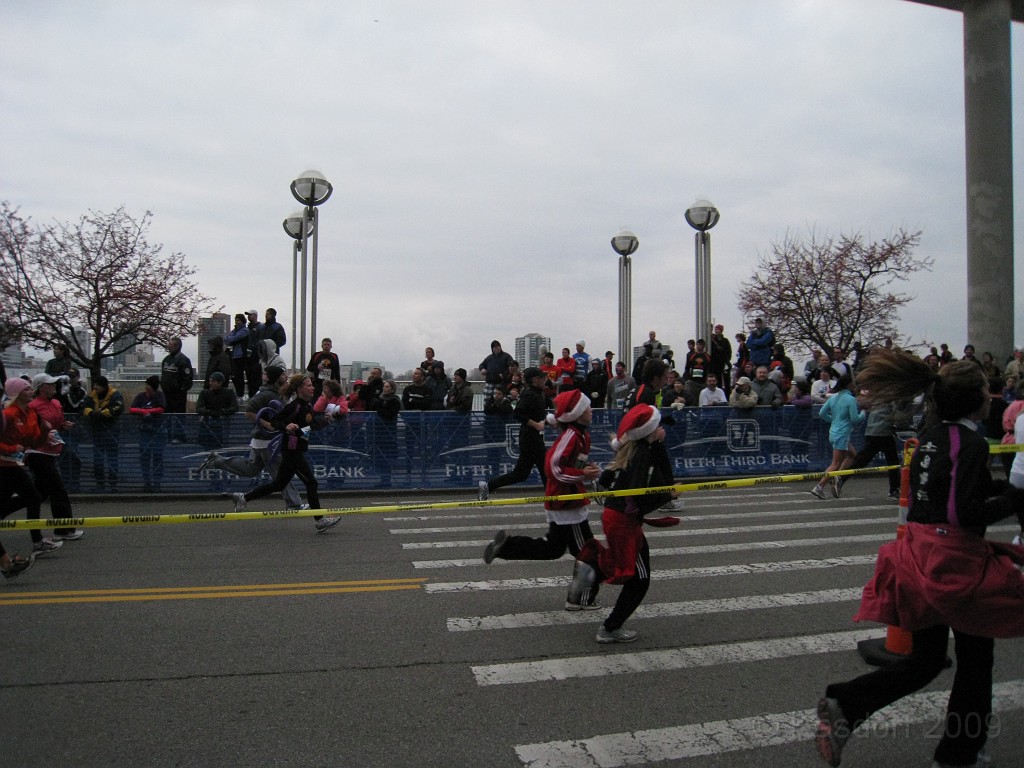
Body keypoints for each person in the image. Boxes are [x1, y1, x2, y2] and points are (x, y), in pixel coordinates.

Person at [815, 351, 1024, 768]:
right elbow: (963, 512)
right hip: (954, 564)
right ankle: (959, 753)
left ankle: (847, 704)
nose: (991, 396)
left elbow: (946, 495)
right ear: (975, 400)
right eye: (986, 390)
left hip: (917, 556)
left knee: (926, 660)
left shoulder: (931, 437)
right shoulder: (970, 443)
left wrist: (1001, 492)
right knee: (976, 660)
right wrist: (1015, 500)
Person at [482, 389, 602, 608]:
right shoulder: (571, 435)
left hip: (567, 501)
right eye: (587, 407)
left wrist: (587, 469)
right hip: (567, 503)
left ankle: (506, 546)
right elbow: (553, 467)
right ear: (576, 414)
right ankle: (579, 599)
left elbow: (573, 463)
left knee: (553, 549)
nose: (591, 410)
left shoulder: (582, 435)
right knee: (587, 552)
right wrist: (582, 474)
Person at [570, 404, 680, 643]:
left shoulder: (639, 449)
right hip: (623, 520)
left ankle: (592, 569)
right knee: (639, 579)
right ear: (649, 430)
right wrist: (668, 495)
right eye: (658, 426)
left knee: (630, 568)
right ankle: (609, 626)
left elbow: (661, 477)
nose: (662, 429)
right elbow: (640, 495)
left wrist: (658, 446)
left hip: (618, 516)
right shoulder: (642, 454)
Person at [230, 374, 340, 532]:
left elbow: (309, 427)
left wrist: (325, 421)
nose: (313, 388)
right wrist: (286, 426)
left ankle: (244, 497)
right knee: (311, 483)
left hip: (296, 450)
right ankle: (320, 520)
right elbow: (275, 421)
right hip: (292, 451)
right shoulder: (294, 406)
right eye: (309, 385)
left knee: (279, 484)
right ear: (300, 389)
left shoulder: (307, 406)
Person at [199, 366, 305, 511]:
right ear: (276, 378)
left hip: (263, 441)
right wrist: (267, 424)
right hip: (267, 441)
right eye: (283, 374)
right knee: (281, 474)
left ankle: (218, 461)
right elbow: (249, 411)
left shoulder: (279, 392)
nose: (286, 376)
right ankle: (294, 504)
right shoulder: (266, 394)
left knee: (251, 469)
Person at [1, 378, 64, 556]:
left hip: (15, 463)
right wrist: (11, 448)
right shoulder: (8, 414)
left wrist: (45, 431)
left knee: (30, 497)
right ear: (17, 393)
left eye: (30, 388)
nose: (31, 391)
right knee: (34, 497)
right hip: (4, 464)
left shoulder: (30, 414)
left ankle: (36, 540)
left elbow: (34, 442)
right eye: (26, 389)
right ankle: (37, 542)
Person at [478, 367, 548, 500]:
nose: (545, 380)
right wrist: (536, 424)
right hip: (530, 439)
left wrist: (547, 421)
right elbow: (518, 413)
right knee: (546, 471)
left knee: (521, 474)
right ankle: (555, 500)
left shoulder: (538, 393)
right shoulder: (530, 394)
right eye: (543, 378)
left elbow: (536, 415)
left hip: (533, 438)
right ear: (535, 380)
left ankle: (488, 486)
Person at [27, 373, 82, 540]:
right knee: (58, 491)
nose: (54, 386)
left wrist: (63, 426)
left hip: (51, 451)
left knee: (38, 494)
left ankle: (4, 510)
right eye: (50, 384)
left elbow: (56, 425)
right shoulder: (33, 406)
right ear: (41, 388)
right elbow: (29, 428)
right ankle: (64, 530)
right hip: (37, 452)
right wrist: (43, 433)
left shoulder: (56, 403)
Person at [809, 367, 864, 500]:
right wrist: (863, 413)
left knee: (852, 454)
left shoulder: (833, 398)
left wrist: (833, 420)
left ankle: (837, 478)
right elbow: (855, 419)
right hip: (842, 434)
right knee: (835, 463)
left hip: (833, 432)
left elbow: (822, 413)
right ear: (849, 385)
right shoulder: (850, 399)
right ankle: (820, 486)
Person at [835, 399, 900, 501]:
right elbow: (896, 413)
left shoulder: (879, 396)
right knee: (893, 462)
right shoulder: (892, 397)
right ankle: (894, 490)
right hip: (883, 432)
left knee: (864, 459)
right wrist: (898, 424)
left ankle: (841, 478)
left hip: (871, 430)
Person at [82, 374, 124, 492]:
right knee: (98, 458)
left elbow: (118, 408)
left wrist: (102, 414)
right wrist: (91, 413)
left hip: (111, 431)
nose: (95, 387)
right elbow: (84, 407)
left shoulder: (115, 394)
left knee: (112, 458)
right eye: (95, 385)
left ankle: (113, 484)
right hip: (97, 432)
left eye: (97, 385)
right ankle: (99, 483)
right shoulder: (92, 395)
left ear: (104, 386)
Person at [129, 375, 167, 493]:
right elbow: (132, 409)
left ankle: (157, 483)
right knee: (145, 458)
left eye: (149, 386)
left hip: (158, 432)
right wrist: (143, 412)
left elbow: (161, 409)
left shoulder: (159, 395)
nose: (146, 388)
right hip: (144, 431)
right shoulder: (140, 396)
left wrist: (148, 411)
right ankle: (147, 482)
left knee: (157, 457)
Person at [195, 372, 238, 455]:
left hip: (220, 424)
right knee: (208, 446)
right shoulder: (205, 393)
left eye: (213, 381)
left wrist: (220, 412)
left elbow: (235, 407)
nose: (210, 383)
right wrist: (215, 413)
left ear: (220, 382)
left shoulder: (228, 393)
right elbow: (198, 408)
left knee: (218, 446)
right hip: (208, 424)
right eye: (210, 381)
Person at [58, 367, 87, 491]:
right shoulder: (62, 390)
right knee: (63, 456)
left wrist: (67, 392)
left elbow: (75, 405)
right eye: (69, 377)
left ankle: (75, 482)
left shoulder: (81, 391)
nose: (70, 380)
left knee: (74, 456)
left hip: (75, 427)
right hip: (62, 427)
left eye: (73, 377)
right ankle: (65, 482)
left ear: (77, 377)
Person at [160, 337, 193, 442]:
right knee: (167, 416)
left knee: (179, 416)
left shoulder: (184, 360)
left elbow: (188, 378)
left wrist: (181, 389)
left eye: (170, 345)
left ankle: (179, 437)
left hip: (178, 395)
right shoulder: (166, 360)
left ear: (177, 346)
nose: (168, 347)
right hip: (167, 394)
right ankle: (169, 436)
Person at [223, 313, 251, 398]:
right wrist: (232, 339)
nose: (236, 322)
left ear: (242, 321)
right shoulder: (234, 331)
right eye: (236, 320)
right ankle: (238, 394)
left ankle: (240, 394)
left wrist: (231, 339)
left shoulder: (245, 330)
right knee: (234, 376)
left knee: (239, 376)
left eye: (238, 320)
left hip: (241, 356)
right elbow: (226, 340)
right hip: (233, 356)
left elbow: (233, 338)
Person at [243, 309, 264, 398]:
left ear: (255, 316)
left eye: (250, 315)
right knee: (250, 380)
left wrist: (255, 349)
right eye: (248, 315)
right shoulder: (247, 329)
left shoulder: (261, 327)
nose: (248, 317)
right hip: (248, 359)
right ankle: (252, 397)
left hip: (257, 357)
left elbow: (261, 341)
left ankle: (257, 397)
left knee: (257, 380)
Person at [708, 324, 732, 392]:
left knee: (726, 380)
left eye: (718, 329)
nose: (716, 331)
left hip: (723, 362)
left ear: (721, 331)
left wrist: (726, 360)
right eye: (715, 329)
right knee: (717, 379)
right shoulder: (712, 340)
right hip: (715, 363)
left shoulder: (725, 340)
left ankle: (726, 394)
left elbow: (729, 351)